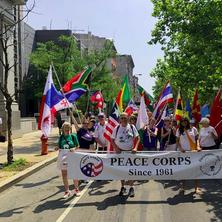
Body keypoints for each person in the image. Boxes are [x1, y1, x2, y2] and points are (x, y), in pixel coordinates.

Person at [111, 112, 140, 197]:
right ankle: (123, 187)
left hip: (130, 152)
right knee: (122, 171)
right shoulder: (116, 128)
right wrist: (116, 148)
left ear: (128, 118)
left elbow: (138, 138)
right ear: (120, 119)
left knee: (131, 171)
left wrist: (135, 148)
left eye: (125, 117)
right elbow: (112, 139)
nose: (124, 119)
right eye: (122, 117)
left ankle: (131, 188)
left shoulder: (132, 127)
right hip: (120, 153)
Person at [176, 117, 202, 194]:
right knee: (184, 170)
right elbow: (177, 141)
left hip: (194, 152)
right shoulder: (179, 130)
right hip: (184, 153)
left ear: (187, 121)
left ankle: (196, 188)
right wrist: (180, 148)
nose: (184, 122)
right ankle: (183, 187)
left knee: (196, 170)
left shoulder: (193, 129)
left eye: (185, 121)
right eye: (182, 121)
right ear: (180, 122)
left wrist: (198, 146)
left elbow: (197, 139)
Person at [55, 122, 80, 198]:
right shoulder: (61, 137)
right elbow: (59, 147)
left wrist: (74, 148)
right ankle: (67, 191)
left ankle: (76, 189)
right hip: (63, 158)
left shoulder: (73, 136)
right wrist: (57, 148)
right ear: (63, 128)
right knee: (64, 174)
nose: (67, 128)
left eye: (68, 127)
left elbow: (78, 146)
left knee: (74, 173)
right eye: (65, 127)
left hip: (72, 156)